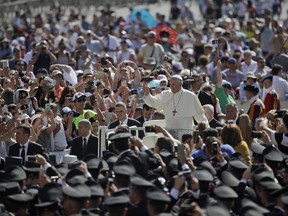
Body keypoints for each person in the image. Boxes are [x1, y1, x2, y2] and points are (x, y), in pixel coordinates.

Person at [143, 75, 208, 139]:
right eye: (170, 84)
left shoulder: (190, 96)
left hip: (185, 132)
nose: (171, 86)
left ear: (180, 84)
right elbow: (153, 102)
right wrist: (147, 94)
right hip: (170, 132)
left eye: (173, 84)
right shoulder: (165, 94)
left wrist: (207, 130)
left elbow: (199, 115)